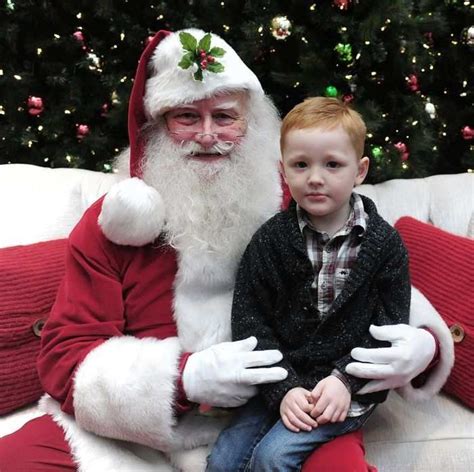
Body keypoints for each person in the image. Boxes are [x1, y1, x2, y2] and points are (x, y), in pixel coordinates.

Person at [0, 29, 451, 472]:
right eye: (186, 117)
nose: (208, 135)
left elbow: (367, 272)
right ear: (157, 126)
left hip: (285, 404)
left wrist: (423, 343)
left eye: (225, 116)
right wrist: (183, 377)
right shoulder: (116, 221)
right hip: (145, 432)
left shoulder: (295, 194)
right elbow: (65, 357)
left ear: (251, 122)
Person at [207, 97, 410, 472]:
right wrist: (282, 390)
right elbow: (250, 322)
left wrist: (345, 379)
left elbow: (391, 328)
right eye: (301, 165)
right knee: (223, 461)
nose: (315, 177)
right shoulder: (270, 241)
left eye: (332, 164)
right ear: (284, 170)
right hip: (281, 381)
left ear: (359, 170)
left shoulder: (384, 244)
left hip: (345, 389)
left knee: (273, 457)